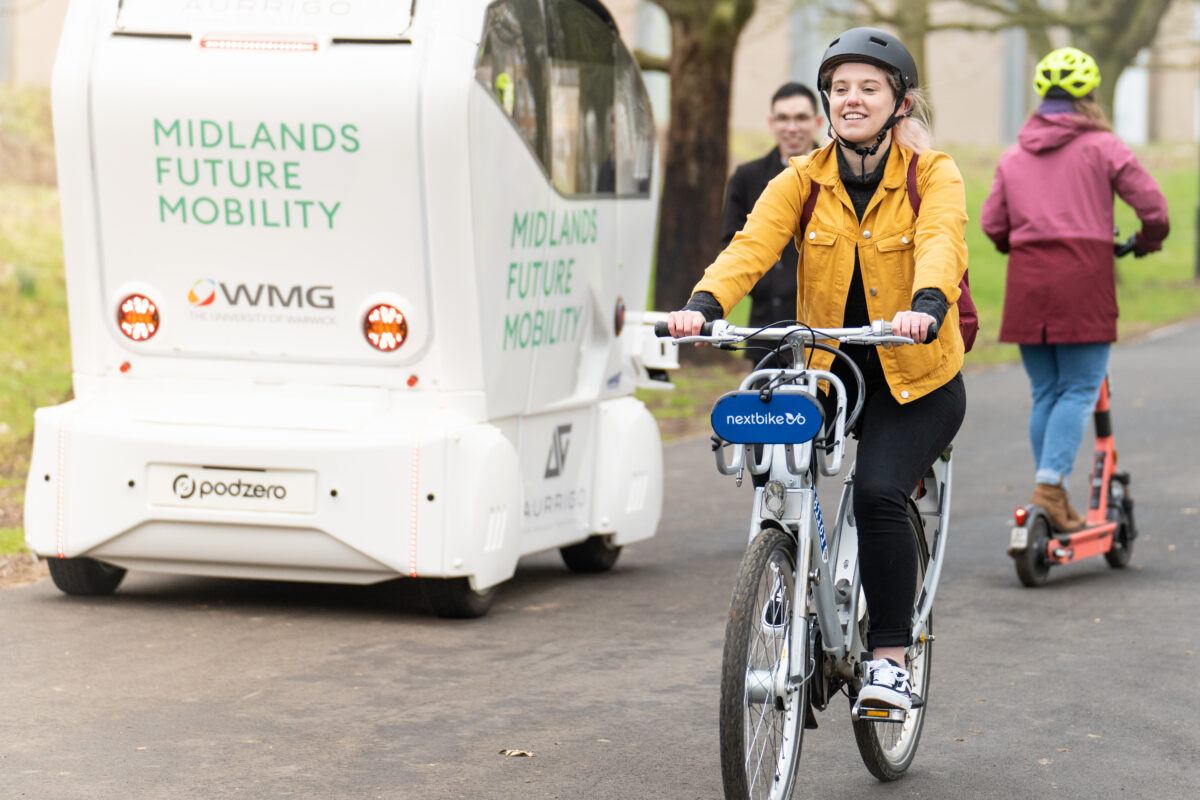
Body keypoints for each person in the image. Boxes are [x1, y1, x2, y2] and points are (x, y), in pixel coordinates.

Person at [666, 27, 968, 711]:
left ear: (900, 102)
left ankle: (890, 657)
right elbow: (752, 244)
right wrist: (704, 304)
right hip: (829, 366)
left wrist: (926, 303)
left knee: (879, 492)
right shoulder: (802, 180)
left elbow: (942, 244)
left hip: (914, 373)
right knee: (775, 458)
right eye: (839, 89)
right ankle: (791, 572)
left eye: (868, 88)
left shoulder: (932, 174)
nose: (850, 100)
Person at [981, 47, 1169, 533]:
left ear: (1042, 97)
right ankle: (1049, 489)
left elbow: (991, 223)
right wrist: (1148, 242)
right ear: (1089, 97)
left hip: (1028, 282)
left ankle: (1053, 495)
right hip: (1083, 279)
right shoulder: (1103, 147)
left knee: (1046, 390)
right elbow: (1154, 209)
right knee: (1081, 389)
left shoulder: (1014, 153)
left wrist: (1017, 244)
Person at [720, 83, 824, 363]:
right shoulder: (746, 177)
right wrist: (768, 289)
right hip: (768, 322)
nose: (792, 128)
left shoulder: (836, 176)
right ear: (771, 123)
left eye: (801, 118)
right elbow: (733, 244)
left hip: (823, 322)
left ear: (817, 122)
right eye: (783, 118)